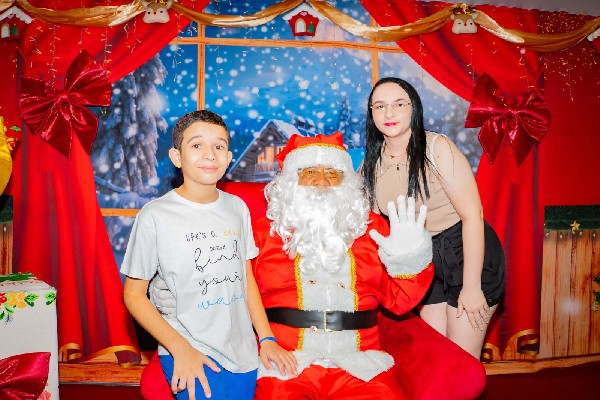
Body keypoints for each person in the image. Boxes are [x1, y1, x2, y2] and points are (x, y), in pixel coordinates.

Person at [152, 131, 434, 399]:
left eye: (332, 173)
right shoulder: (263, 233)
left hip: (360, 364)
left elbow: (400, 303)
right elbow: (226, 283)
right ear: (290, 182)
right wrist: (179, 293)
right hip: (286, 361)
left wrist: (410, 257)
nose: (321, 182)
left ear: (347, 181)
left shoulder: (372, 229)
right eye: (309, 172)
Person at [121, 110, 297, 400]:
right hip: (187, 348)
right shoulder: (155, 215)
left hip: (242, 353)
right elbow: (133, 295)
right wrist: (181, 349)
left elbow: (245, 278)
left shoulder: (237, 208)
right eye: (196, 145)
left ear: (228, 158)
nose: (209, 154)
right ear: (176, 157)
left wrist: (266, 337)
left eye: (219, 146)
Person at [361, 77, 505, 359]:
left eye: (399, 104)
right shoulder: (371, 163)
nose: (389, 113)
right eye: (380, 106)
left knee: (462, 359)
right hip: (423, 261)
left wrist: (472, 287)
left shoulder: (437, 148)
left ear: (413, 108)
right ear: (372, 114)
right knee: (439, 357)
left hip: (466, 252)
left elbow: (473, 217)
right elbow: (371, 224)